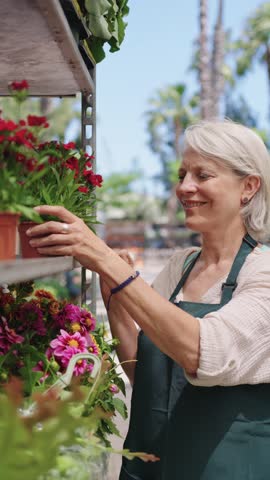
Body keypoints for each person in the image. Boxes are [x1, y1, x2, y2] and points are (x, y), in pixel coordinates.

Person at [26, 119, 270, 480]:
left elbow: (204, 353)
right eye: (183, 173)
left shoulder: (262, 272)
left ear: (248, 187)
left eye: (203, 175)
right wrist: (115, 293)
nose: (185, 187)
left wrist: (107, 259)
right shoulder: (181, 266)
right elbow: (150, 375)